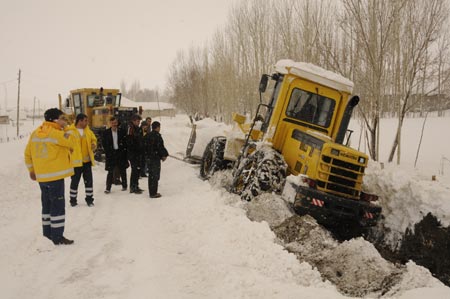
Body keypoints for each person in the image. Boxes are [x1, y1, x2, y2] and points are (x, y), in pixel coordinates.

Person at [24, 108, 75, 245]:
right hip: (55, 178)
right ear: (55, 120)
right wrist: (67, 127)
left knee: (46, 206)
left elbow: (27, 154)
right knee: (57, 206)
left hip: (42, 178)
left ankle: (47, 234)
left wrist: (31, 170)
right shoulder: (56, 133)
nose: (64, 120)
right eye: (62, 118)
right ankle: (57, 237)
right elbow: (71, 142)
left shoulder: (35, 133)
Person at [67, 113, 97, 207]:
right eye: (85, 120)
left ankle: (89, 200)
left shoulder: (88, 131)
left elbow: (94, 139)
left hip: (87, 162)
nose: (87, 122)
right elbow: (64, 143)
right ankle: (73, 200)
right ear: (79, 121)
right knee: (75, 182)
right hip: (76, 163)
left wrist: (94, 144)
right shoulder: (69, 131)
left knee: (89, 182)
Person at [102, 116, 129, 193]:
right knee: (110, 171)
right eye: (112, 123)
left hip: (120, 153)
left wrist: (124, 152)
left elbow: (125, 143)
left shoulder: (122, 131)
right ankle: (108, 188)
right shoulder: (106, 133)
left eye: (115, 123)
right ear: (110, 123)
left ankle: (124, 185)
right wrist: (108, 151)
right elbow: (104, 143)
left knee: (123, 170)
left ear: (117, 123)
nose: (114, 124)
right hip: (111, 154)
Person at [144, 121, 169, 198]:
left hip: (149, 158)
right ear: (157, 127)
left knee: (151, 175)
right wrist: (164, 155)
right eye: (159, 127)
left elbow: (145, 146)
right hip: (155, 159)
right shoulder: (157, 136)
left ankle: (151, 191)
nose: (159, 129)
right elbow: (160, 147)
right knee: (155, 176)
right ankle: (153, 193)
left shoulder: (148, 135)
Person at [127, 114, 144, 194]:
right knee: (134, 170)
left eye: (139, 121)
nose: (139, 123)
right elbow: (130, 141)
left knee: (137, 170)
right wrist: (136, 147)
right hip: (133, 153)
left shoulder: (138, 128)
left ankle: (136, 185)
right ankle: (132, 187)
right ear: (133, 121)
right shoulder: (130, 128)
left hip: (138, 152)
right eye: (137, 121)